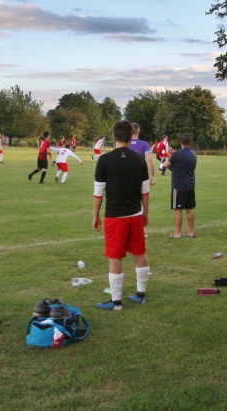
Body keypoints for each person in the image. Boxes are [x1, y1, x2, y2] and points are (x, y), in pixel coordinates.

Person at [93, 120, 151, 311]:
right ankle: (140, 295)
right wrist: (145, 213)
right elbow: (145, 192)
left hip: (115, 217)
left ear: (114, 136)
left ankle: (116, 302)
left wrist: (95, 215)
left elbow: (98, 192)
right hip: (135, 214)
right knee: (139, 253)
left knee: (115, 257)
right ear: (131, 136)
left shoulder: (105, 160)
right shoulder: (139, 159)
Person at [164, 133, 197, 238]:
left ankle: (177, 233)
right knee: (190, 208)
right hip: (190, 185)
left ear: (180, 142)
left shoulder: (177, 154)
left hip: (178, 186)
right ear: (190, 142)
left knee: (178, 209)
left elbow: (166, 164)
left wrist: (171, 161)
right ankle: (191, 232)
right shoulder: (193, 154)